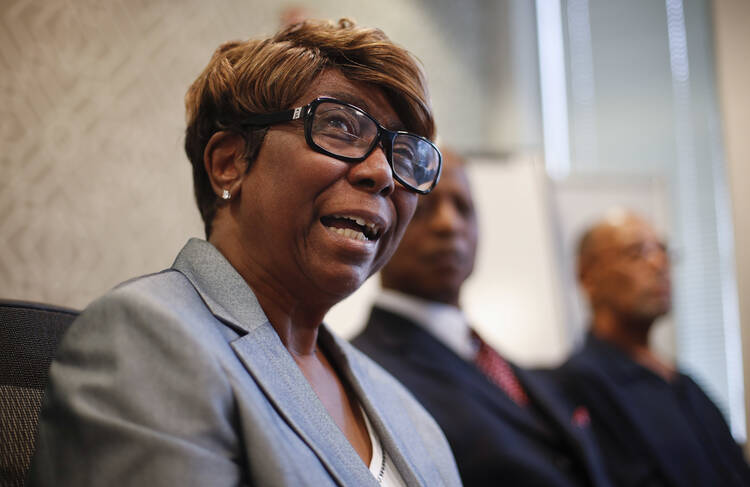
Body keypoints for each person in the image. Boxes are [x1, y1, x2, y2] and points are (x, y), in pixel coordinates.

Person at [28, 19, 461, 487]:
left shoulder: (411, 414)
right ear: (228, 163)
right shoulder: (145, 338)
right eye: (339, 126)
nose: (383, 173)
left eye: (403, 155)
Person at [353, 150, 612, 486]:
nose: (449, 224)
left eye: (464, 208)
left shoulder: (504, 364)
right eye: (426, 207)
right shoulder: (365, 375)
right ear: (384, 220)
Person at [556, 210, 750, 486]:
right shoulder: (580, 386)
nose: (660, 264)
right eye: (637, 253)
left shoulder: (683, 384)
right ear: (588, 276)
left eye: (663, 251)